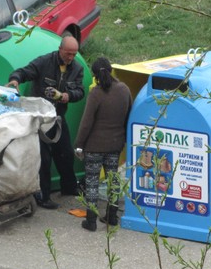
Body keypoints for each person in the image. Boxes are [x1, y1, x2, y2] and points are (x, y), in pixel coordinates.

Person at [7, 35, 84, 209]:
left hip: (57, 117)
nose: (71, 58)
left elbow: (80, 91)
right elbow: (25, 71)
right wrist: (15, 79)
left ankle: (69, 187)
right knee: (44, 158)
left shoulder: (77, 69)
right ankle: (43, 196)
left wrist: (67, 96)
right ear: (60, 49)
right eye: (68, 54)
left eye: (74, 54)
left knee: (65, 153)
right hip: (40, 119)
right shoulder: (45, 62)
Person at [74, 57, 132, 231]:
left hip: (94, 147)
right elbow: (128, 116)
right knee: (113, 181)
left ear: (95, 76)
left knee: (91, 182)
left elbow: (86, 122)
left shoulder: (96, 93)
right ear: (111, 70)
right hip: (115, 145)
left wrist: (79, 144)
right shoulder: (124, 90)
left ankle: (91, 221)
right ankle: (112, 217)